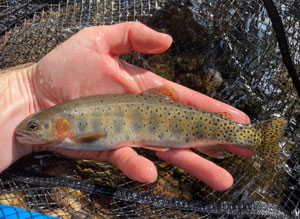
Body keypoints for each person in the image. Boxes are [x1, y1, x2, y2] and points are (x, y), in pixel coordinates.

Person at [0, 22, 252, 191]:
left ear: (58, 123)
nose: (28, 131)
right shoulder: (67, 128)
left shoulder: (73, 131)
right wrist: (27, 88)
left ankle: (252, 138)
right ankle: (251, 138)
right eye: (33, 126)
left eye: (34, 126)